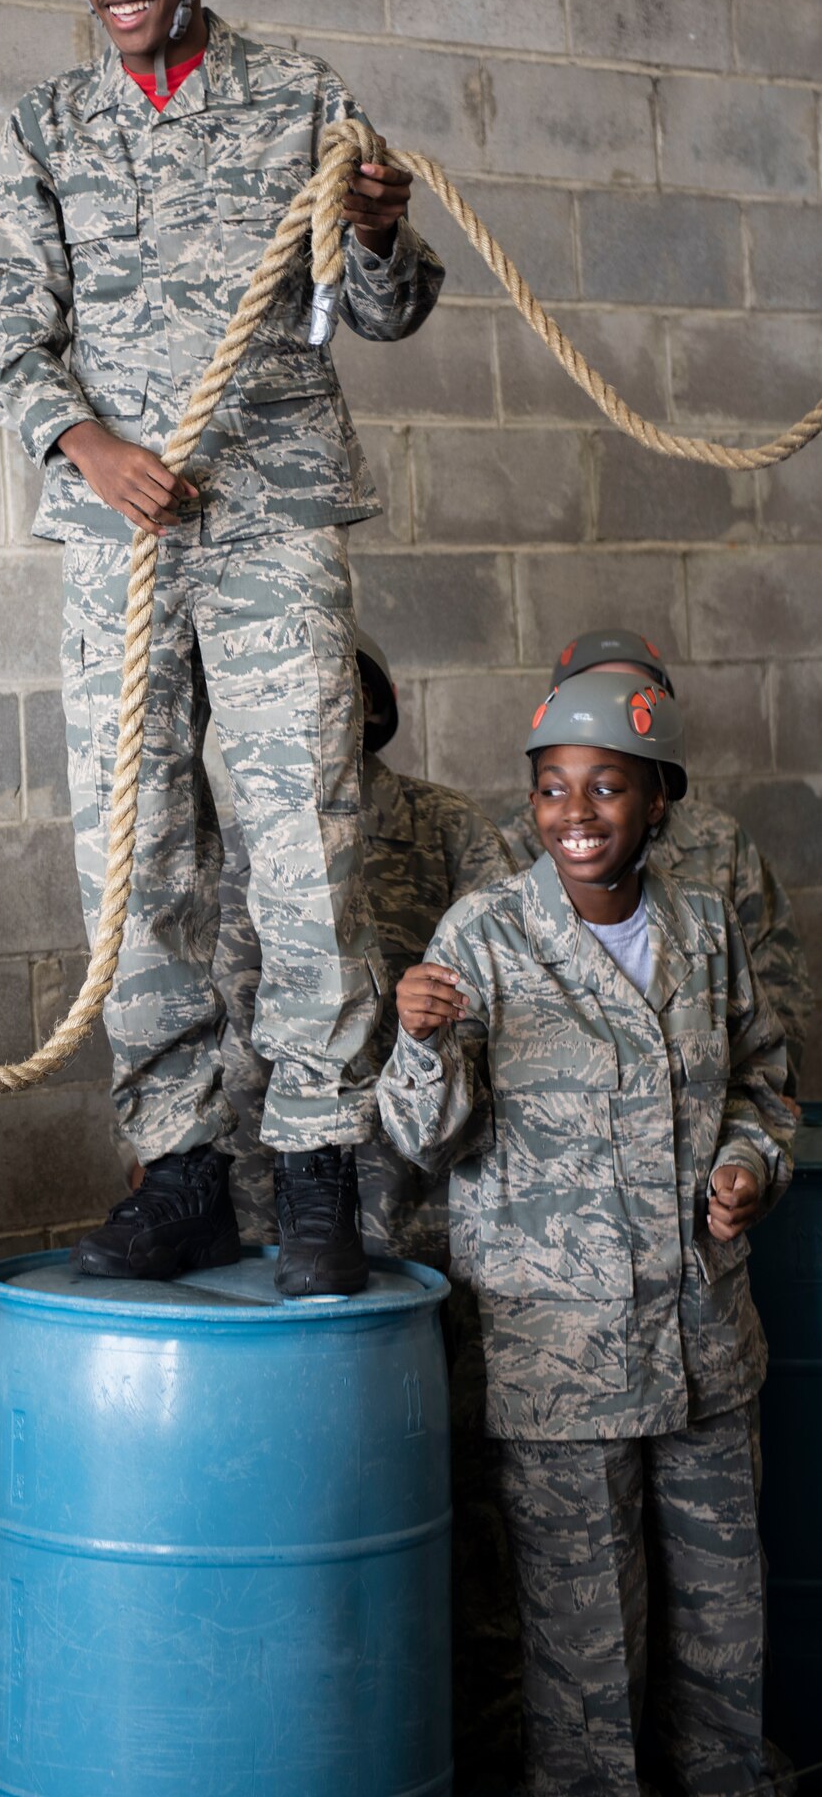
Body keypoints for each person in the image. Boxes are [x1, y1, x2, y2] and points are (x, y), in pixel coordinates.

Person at [0, 0, 444, 1295]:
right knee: (134, 848)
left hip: (271, 516)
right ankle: (179, 1170)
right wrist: (82, 444)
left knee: (305, 834)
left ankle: (312, 1166)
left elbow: (383, 308)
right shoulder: (45, 126)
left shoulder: (303, 102)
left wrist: (376, 229)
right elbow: (0, 333)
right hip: (118, 541)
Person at [379, 672, 794, 1794]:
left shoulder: (705, 933)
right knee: (585, 1651)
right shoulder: (486, 932)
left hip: (706, 1343)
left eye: (606, 786)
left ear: (657, 800)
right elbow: (424, 1136)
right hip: (562, 1362)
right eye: (552, 787)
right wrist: (419, 1044)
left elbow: (766, 1084)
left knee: (722, 1627)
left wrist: (751, 1162)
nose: (575, 810)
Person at [214, 631, 522, 1787]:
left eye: (335, 693)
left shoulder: (443, 828)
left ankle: (478, 1746)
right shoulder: (244, 848)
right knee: (319, 1503)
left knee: (468, 1491)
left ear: (376, 705)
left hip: (437, 1222)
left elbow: (499, 994)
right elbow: (224, 1034)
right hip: (288, 1229)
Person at [498, 626, 813, 1097]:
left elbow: (776, 985)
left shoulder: (719, 841)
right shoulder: (516, 846)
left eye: (634, 698)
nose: (612, 712)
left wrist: (755, 1106)